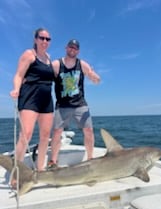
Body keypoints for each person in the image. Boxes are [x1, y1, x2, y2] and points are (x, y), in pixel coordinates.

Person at [49, 39, 100, 168]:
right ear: (66, 48)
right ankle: (53, 160)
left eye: (75, 48)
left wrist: (95, 78)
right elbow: (43, 77)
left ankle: (90, 158)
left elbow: (94, 77)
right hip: (62, 105)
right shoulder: (56, 64)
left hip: (80, 104)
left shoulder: (82, 64)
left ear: (78, 51)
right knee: (56, 132)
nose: (73, 49)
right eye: (70, 47)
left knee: (89, 130)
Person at [10, 28, 55, 171]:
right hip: (30, 97)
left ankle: (40, 169)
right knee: (26, 135)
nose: (45, 41)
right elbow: (18, 75)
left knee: (45, 135)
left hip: (46, 99)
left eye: (48, 39)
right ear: (35, 39)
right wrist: (16, 89)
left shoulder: (49, 58)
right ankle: (17, 173)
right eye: (42, 38)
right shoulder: (29, 54)